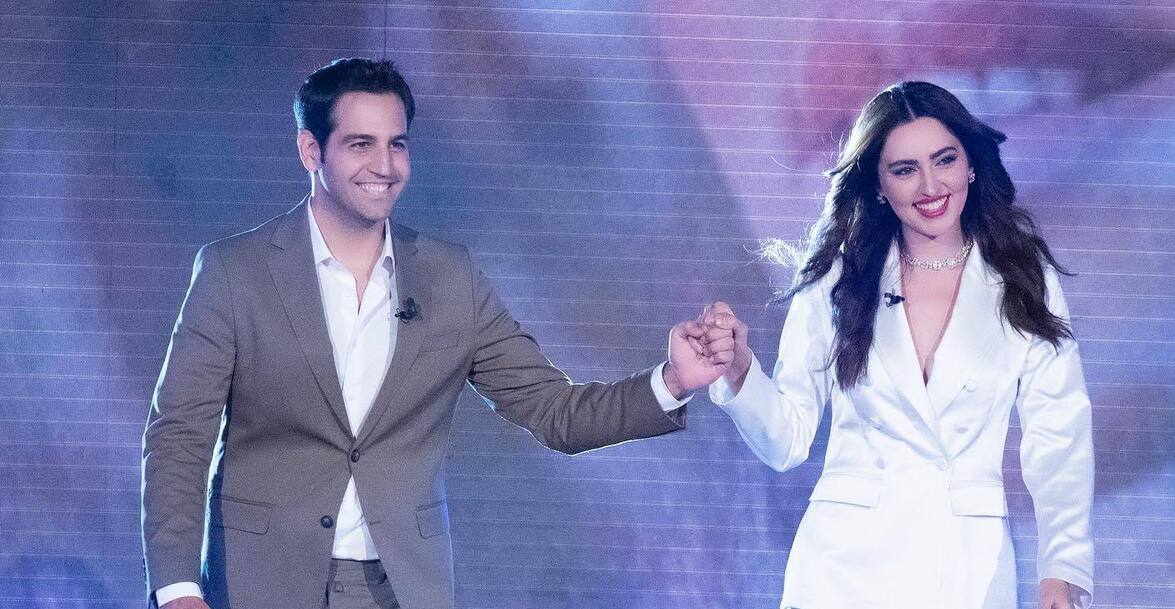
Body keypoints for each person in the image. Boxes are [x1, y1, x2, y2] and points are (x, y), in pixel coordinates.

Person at [140, 58, 733, 609]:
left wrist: (674, 380)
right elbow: (179, 438)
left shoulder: (451, 278)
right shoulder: (235, 272)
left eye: (397, 144)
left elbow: (557, 412)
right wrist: (176, 588)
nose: (384, 166)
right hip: (260, 583)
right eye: (360, 144)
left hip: (401, 586)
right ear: (310, 150)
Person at [700, 81, 1094, 609]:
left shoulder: (1022, 277)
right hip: (841, 572)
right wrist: (739, 371)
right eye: (905, 169)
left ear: (971, 165)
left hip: (966, 567)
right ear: (879, 185)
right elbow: (786, 440)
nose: (930, 185)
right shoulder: (838, 279)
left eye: (944, 160)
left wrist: (1061, 569)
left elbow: (1059, 434)